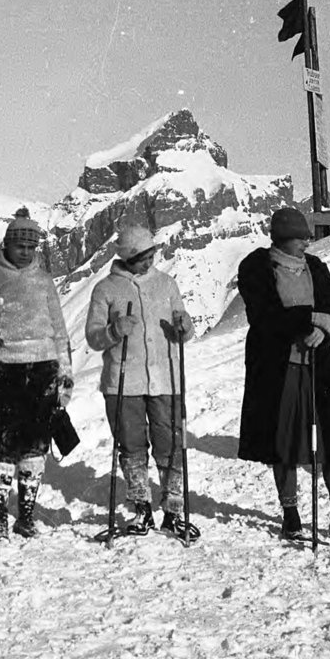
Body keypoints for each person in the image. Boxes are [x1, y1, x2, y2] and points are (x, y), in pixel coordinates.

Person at [235, 207, 330, 544]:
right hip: (278, 368)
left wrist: (326, 329)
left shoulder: (315, 268)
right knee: (284, 442)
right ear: (283, 238)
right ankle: (290, 515)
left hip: (318, 365)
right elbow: (265, 316)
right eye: (300, 236)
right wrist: (312, 319)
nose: (307, 241)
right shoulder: (256, 267)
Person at [0, 207, 73, 540]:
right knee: (2, 444)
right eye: (20, 246)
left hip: (43, 367)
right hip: (4, 366)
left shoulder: (44, 280)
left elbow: (59, 329)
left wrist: (65, 373)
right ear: (8, 245)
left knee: (35, 445)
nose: (26, 252)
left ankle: (25, 516)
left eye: (31, 247)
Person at [85, 224, 198, 539]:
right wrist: (114, 330)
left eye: (150, 255)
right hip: (123, 382)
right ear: (126, 259)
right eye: (140, 259)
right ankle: (141, 508)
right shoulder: (107, 289)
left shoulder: (166, 284)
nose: (147, 263)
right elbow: (93, 337)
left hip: (166, 379)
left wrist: (184, 326)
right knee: (132, 445)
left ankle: (173, 510)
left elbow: (183, 331)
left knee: (171, 443)